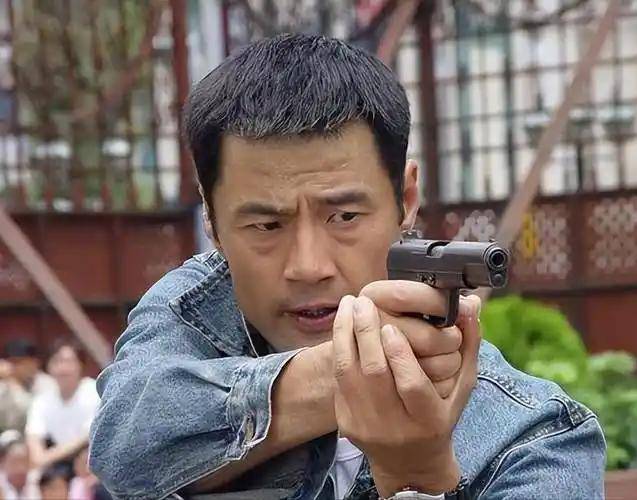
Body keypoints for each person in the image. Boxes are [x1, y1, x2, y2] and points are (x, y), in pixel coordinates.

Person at [89, 34, 606, 499]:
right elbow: (123, 443)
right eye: (266, 226)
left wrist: (417, 477)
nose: (308, 266)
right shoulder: (198, 305)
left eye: (344, 217)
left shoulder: (536, 440)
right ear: (213, 221)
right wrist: (345, 374)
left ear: (405, 199)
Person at [25, 340, 99, 471]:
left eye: (69, 362)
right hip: (54, 464)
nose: (63, 368)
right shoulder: (42, 400)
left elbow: (87, 436)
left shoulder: (94, 391)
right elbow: (33, 436)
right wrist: (40, 459)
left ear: (81, 365)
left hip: (89, 459)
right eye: (57, 361)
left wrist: (46, 458)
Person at [0, 434, 40, 500]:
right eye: (14, 463)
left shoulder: (40, 482)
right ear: (3, 463)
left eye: (24, 462)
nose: (20, 468)